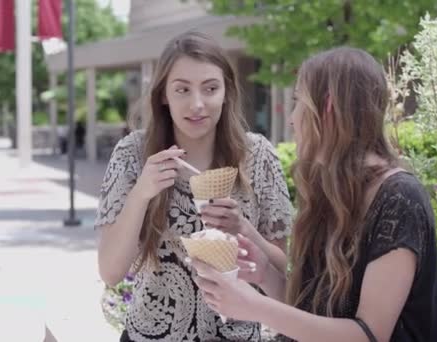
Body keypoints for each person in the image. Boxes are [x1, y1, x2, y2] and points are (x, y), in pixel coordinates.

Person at [193, 47, 437, 342]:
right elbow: (310, 316)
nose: (292, 120)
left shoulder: (400, 199)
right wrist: (264, 274)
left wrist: (255, 306)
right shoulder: (328, 192)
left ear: (328, 108)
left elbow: (369, 334)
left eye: (298, 102)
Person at [95, 30, 292, 341]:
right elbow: (110, 272)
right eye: (182, 89)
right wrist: (142, 194)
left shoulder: (257, 156)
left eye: (210, 88)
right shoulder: (133, 154)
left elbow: (284, 268)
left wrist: (243, 229)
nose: (197, 104)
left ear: (226, 91)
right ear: (164, 95)